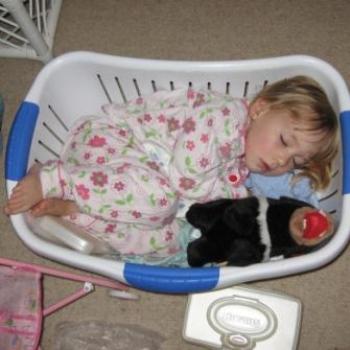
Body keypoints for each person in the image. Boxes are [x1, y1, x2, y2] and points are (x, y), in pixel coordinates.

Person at [4, 76, 339, 257]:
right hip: (110, 143)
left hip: (126, 178)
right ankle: (53, 176)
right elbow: (188, 176)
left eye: (296, 161)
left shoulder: (243, 155)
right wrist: (233, 197)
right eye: (284, 140)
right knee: (159, 201)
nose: (283, 160)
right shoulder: (224, 117)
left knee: (170, 240)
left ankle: (77, 212)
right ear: (260, 109)